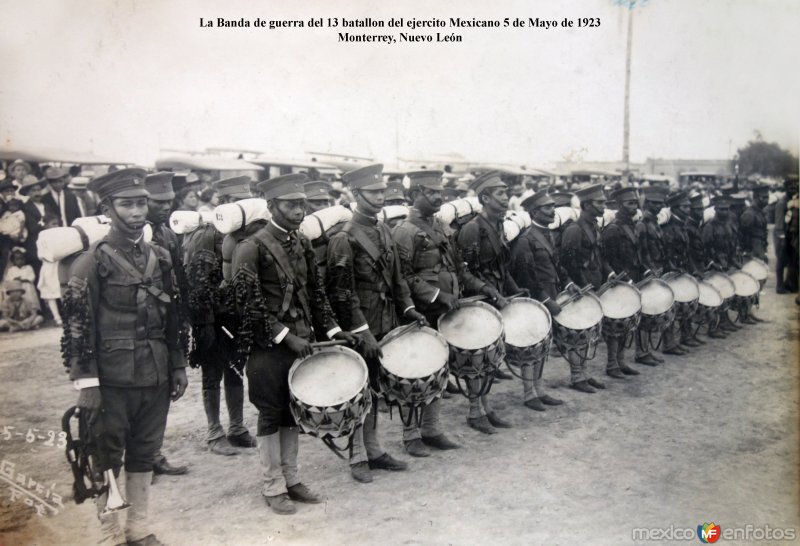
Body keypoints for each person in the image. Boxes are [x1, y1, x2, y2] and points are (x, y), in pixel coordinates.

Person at [61, 167, 188, 546]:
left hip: (156, 372)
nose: (136, 212)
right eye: (127, 205)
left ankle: (139, 529)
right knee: (106, 453)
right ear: (107, 208)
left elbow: (172, 317)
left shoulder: (160, 257)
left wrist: (178, 364)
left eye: (141, 204)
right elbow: (77, 329)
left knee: (145, 451)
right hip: (111, 379)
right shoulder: (90, 262)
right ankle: (109, 534)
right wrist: (87, 384)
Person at [231, 173, 355, 514]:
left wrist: (331, 331)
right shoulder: (251, 247)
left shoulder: (301, 242)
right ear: (272, 207)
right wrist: (286, 336)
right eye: (290, 205)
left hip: (302, 342)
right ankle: (272, 487)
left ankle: (292, 479)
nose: (299, 211)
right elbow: (247, 305)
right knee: (271, 413)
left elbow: (316, 293)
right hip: (268, 347)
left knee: (292, 411)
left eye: (302, 204)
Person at [327, 164, 427, 480]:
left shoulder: (384, 229)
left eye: (383, 191)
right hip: (362, 324)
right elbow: (342, 292)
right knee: (360, 389)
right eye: (373, 192)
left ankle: (374, 448)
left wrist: (408, 308)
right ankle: (357, 456)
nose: (380, 197)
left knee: (378, 388)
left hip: (387, 318)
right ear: (356, 195)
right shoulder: (344, 238)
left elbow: (397, 278)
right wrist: (361, 331)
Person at [393, 170, 488, 455]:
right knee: (417, 373)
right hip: (421, 314)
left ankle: (431, 429)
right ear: (413, 195)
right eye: (431, 192)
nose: (438, 197)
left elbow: (457, 269)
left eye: (440, 192)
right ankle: (411, 436)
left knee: (439, 371)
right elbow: (403, 277)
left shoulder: (440, 227)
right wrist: (436, 295)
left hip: (445, 312)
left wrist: (482, 287)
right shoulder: (404, 232)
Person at [183, 174, 258, 456]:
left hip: (235, 317)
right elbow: (198, 286)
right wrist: (205, 326)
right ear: (223, 202)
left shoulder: (245, 233)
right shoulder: (207, 235)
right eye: (234, 201)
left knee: (236, 371)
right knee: (212, 373)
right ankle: (215, 432)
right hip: (212, 319)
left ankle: (237, 428)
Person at [456, 170, 521, 431]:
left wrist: (515, 289)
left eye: (507, 192)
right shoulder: (473, 229)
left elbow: (501, 267)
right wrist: (488, 290)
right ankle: (475, 411)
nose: (507, 198)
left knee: (491, 357)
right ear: (485, 197)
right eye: (501, 193)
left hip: (495, 298)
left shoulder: (498, 225)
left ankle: (487, 406)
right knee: (476, 357)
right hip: (478, 300)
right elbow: (464, 272)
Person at [140, 172, 191, 477]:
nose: (165, 207)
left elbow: (178, 277)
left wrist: (182, 314)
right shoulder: (138, 234)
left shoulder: (167, 233)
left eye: (169, 202)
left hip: (166, 318)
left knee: (163, 390)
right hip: (140, 320)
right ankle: (138, 459)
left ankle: (153, 454)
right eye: (157, 202)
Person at [509, 189, 566, 410]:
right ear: (534, 211)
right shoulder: (526, 240)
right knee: (530, 346)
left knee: (543, 345)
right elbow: (526, 275)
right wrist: (545, 300)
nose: (553, 210)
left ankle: (539, 390)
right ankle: (528, 394)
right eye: (547, 207)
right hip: (535, 300)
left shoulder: (548, 235)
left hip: (549, 295)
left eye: (553, 206)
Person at [559, 184, 611, 393]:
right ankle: (577, 376)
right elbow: (567, 262)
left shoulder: (594, 227)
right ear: (587, 205)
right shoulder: (574, 229)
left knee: (589, 332)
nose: (604, 207)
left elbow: (599, 257)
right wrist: (579, 284)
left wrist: (609, 273)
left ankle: (584, 374)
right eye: (600, 203)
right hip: (580, 289)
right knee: (577, 333)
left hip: (595, 285)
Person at [600, 186, 642, 378]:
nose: (633, 207)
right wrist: (619, 277)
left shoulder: (630, 226)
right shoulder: (613, 229)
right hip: (617, 282)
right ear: (618, 206)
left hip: (630, 281)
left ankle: (621, 360)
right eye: (629, 203)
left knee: (627, 322)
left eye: (635, 203)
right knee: (614, 324)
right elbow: (606, 259)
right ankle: (611, 364)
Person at [634, 186, 669, 365]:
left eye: (660, 204)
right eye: (654, 204)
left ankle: (646, 350)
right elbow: (640, 251)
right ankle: (641, 352)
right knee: (645, 313)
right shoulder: (642, 224)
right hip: (646, 273)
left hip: (656, 270)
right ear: (647, 204)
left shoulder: (654, 223)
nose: (657, 207)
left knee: (651, 312)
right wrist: (648, 269)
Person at [19, 175, 49, 275]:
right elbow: (33, 228)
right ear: (27, 193)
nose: (37, 193)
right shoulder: (26, 208)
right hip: (35, 248)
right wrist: (46, 225)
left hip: (49, 247)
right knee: (38, 274)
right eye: (33, 191)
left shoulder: (47, 206)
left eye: (38, 190)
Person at [37, 215, 63, 326]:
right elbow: (40, 254)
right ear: (46, 225)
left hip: (59, 266)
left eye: (57, 223)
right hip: (49, 268)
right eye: (53, 224)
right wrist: (51, 257)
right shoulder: (42, 237)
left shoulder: (60, 235)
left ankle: (67, 314)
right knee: (51, 293)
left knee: (62, 290)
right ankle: (57, 317)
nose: (56, 226)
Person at [4, 246, 41, 313]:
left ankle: (32, 311)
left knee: (29, 299)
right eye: (17, 259)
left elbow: (32, 277)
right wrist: (14, 279)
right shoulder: (12, 270)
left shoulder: (28, 268)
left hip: (27, 288)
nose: (20, 261)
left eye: (22, 259)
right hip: (17, 289)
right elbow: (8, 279)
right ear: (13, 261)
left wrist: (24, 279)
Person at [740, 184, 770, 263]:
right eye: (765, 197)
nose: (767, 200)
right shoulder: (749, 214)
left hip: (760, 250)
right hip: (751, 253)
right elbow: (742, 235)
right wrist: (747, 252)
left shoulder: (760, 212)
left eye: (767, 197)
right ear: (757, 198)